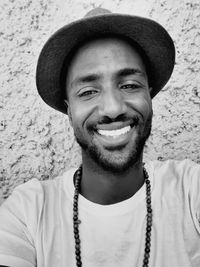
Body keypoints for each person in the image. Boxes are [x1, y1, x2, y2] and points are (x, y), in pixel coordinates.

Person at [0, 7, 200, 267]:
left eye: (129, 85)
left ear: (149, 96)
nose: (113, 108)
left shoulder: (189, 190)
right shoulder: (29, 213)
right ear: (69, 110)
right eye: (88, 91)